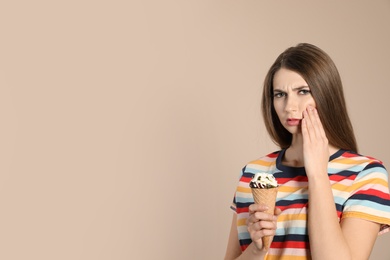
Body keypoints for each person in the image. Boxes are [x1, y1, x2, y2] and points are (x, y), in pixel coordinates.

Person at [224, 43, 390, 260]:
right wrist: (257, 250)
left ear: (326, 95)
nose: (289, 106)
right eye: (279, 94)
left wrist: (318, 174)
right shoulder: (252, 173)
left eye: (302, 91)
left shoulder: (367, 174)